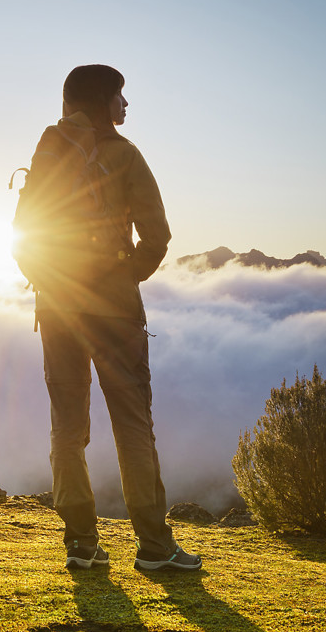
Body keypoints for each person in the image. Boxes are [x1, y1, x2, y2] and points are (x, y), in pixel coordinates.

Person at [12, 64, 202, 572]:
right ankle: (156, 548)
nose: (125, 106)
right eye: (120, 96)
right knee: (133, 424)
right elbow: (157, 235)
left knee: (67, 428)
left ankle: (80, 543)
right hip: (115, 315)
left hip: (56, 310)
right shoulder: (125, 154)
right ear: (101, 102)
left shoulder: (49, 152)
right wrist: (123, 279)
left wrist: (53, 285)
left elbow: (23, 236)